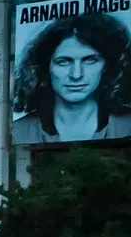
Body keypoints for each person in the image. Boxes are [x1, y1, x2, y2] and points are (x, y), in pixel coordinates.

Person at [12, 11, 131, 144]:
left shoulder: (127, 125)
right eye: (64, 61)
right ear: (46, 66)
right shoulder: (19, 131)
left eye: (90, 60)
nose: (76, 75)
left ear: (107, 65)